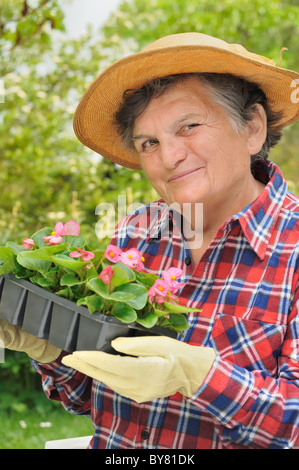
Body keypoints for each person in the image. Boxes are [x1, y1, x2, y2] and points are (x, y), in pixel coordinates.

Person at [1, 32, 299, 449]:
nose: (168, 156)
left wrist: (200, 376)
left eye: (189, 126)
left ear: (251, 128)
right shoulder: (136, 231)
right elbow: (90, 397)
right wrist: (50, 349)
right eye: (149, 143)